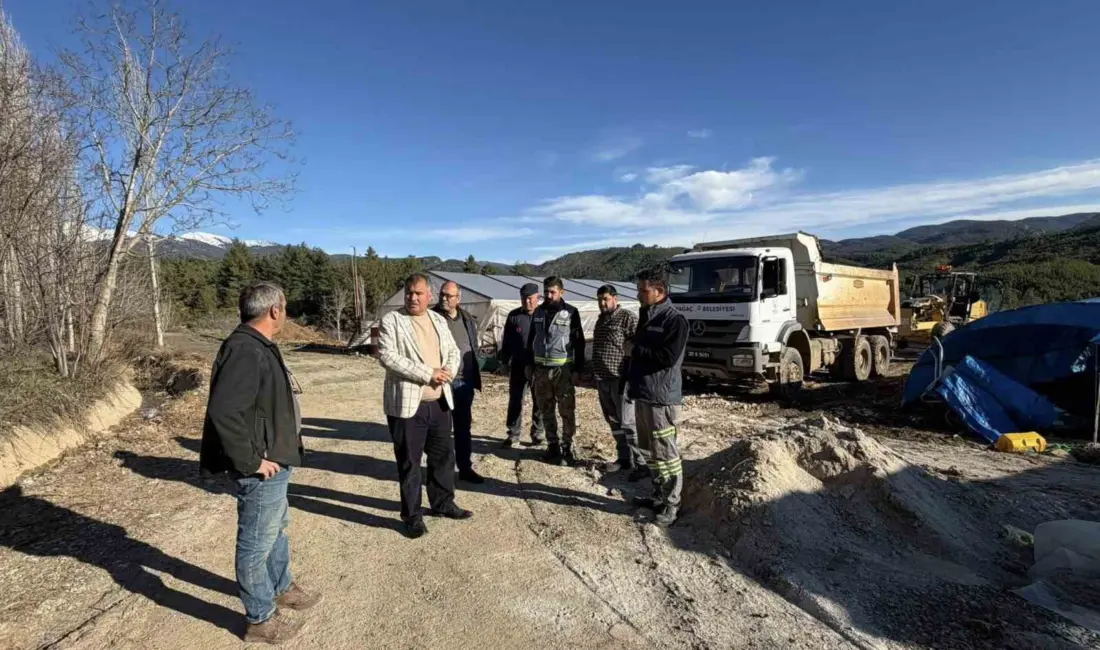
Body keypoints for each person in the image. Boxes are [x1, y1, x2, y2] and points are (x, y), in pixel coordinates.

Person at [200, 281, 321, 644]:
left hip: (276, 458)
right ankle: (260, 619)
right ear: (273, 310)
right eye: (284, 306)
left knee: (275, 529)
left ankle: (282, 587)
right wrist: (251, 460)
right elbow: (224, 412)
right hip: (260, 466)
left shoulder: (256, 346)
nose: (286, 313)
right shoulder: (244, 350)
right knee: (255, 542)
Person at [377, 273, 473, 538]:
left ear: (429, 296)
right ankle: (412, 515)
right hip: (409, 406)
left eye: (419, 293)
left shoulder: (438, 320)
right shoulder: (392, 321)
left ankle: (443, 503)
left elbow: (453, 351)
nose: (413, 297)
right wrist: (428, 372)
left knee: (443, 457)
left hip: (440, 401)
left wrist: (448, 372)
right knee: (409, 462)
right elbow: (387, 357)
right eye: (409, 292)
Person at [625, 268, 689, 528]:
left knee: (666, 453)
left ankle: (672, 503)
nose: (639, 295)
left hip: (661, 398)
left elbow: (668, 358)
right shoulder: (646, 315)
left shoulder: (674, 320)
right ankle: (658, 494)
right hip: (643, 393)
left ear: (660, 292)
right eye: (639, 290)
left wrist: (635, 350)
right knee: (648, 450)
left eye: (644, 290)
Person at [526, 276, 586, 466]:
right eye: (546, 292)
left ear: (561, 292)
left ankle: (567, 447)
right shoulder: (538, 312)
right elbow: (531, 340)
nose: (549, 295)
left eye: (552, 292)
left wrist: (577, 369)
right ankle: (553, 446)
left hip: (563, 370)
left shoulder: (570, 313)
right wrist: (529, 365)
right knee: (546, 410)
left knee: (567, 410)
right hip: (541, 370)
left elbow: (579, 342)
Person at [433, 280, 485, 484]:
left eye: (449, 296)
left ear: (458, 298)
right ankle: (442, 473)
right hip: (444, 382)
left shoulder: (466, 319)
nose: (444, 299)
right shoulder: (433, 317)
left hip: (465, 382)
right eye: (442, 295)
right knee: (442, 431)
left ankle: (465, 468)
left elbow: (473, 345)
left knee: (463, 428)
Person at [592, 285, 645, 475]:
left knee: (628, 423)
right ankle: (624, 459)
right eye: (599, 299)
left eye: (605, 299)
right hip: (602, 379)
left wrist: (632, 376)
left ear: (615, 298)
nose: (602, 303)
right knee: (613, 421)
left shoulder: (627, 318)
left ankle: (641, 463)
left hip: (620, 379)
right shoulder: (601, 320)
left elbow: (638, 346)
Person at [498, 283, 545, 448]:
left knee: (539, 400)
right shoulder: (514, 316)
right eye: (524, 298)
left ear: (537, 298)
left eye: (531, 298)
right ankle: (513, 434)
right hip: (518, 365)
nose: (528, 302)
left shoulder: (543, 315)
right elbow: (507, 342)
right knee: (516, 400)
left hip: (538, 366)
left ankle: (538, 434)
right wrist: (504, 362)